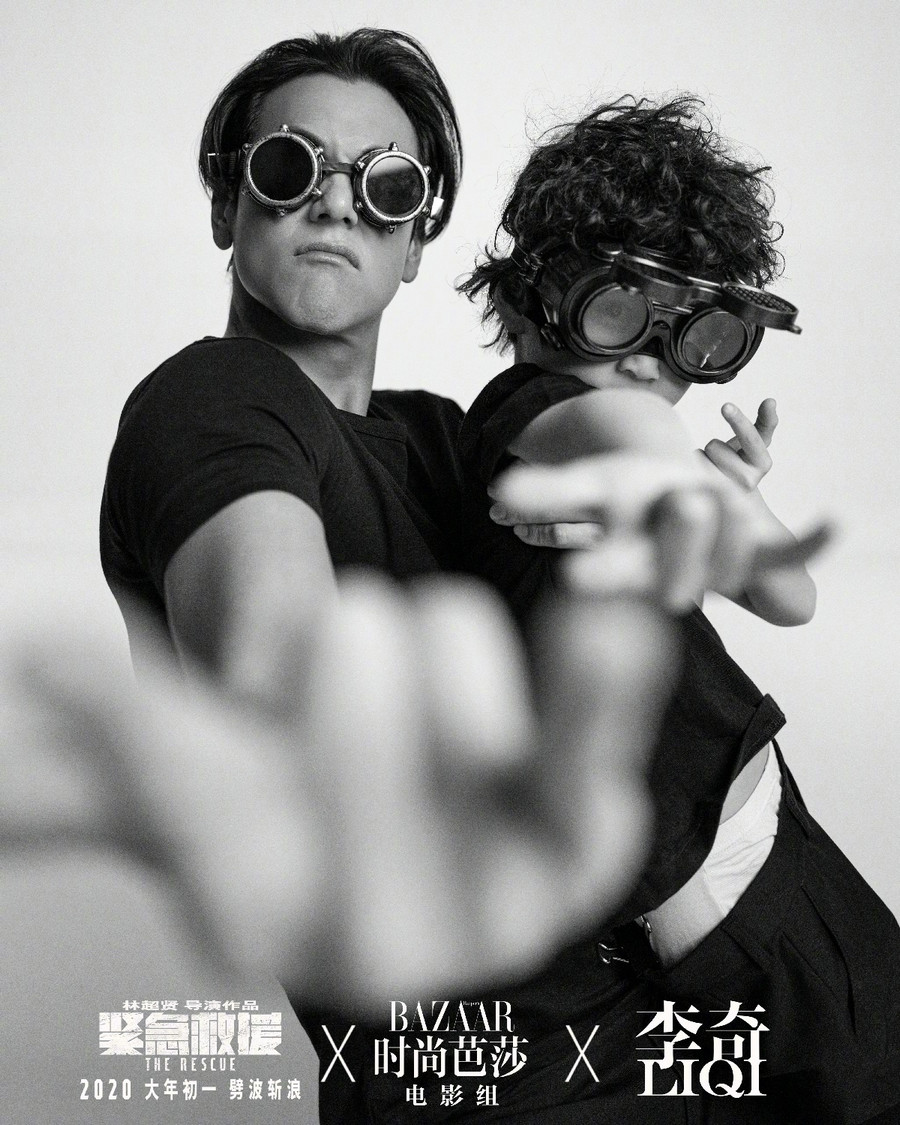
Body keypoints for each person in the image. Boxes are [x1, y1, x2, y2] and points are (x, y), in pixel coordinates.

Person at [95, 30, 833, 1122]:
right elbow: (278, 666)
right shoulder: (218, 398)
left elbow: (588, 468)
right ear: (225, 205)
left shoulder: (439, 441)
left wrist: (677, 492)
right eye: (290, 167)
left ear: (416, 240)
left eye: (384, 184)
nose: (336, 204)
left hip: (642, 1035)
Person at [445, 96, 900, 1122]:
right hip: (731, 926)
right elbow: (618, 428)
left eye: (696, 334)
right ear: (532, 299)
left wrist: (735, 497)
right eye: (617, 313)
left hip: (775, 876)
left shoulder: (641, 471)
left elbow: (792, 597)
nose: (650, 360)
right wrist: (672, 481)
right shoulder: (529, 417)